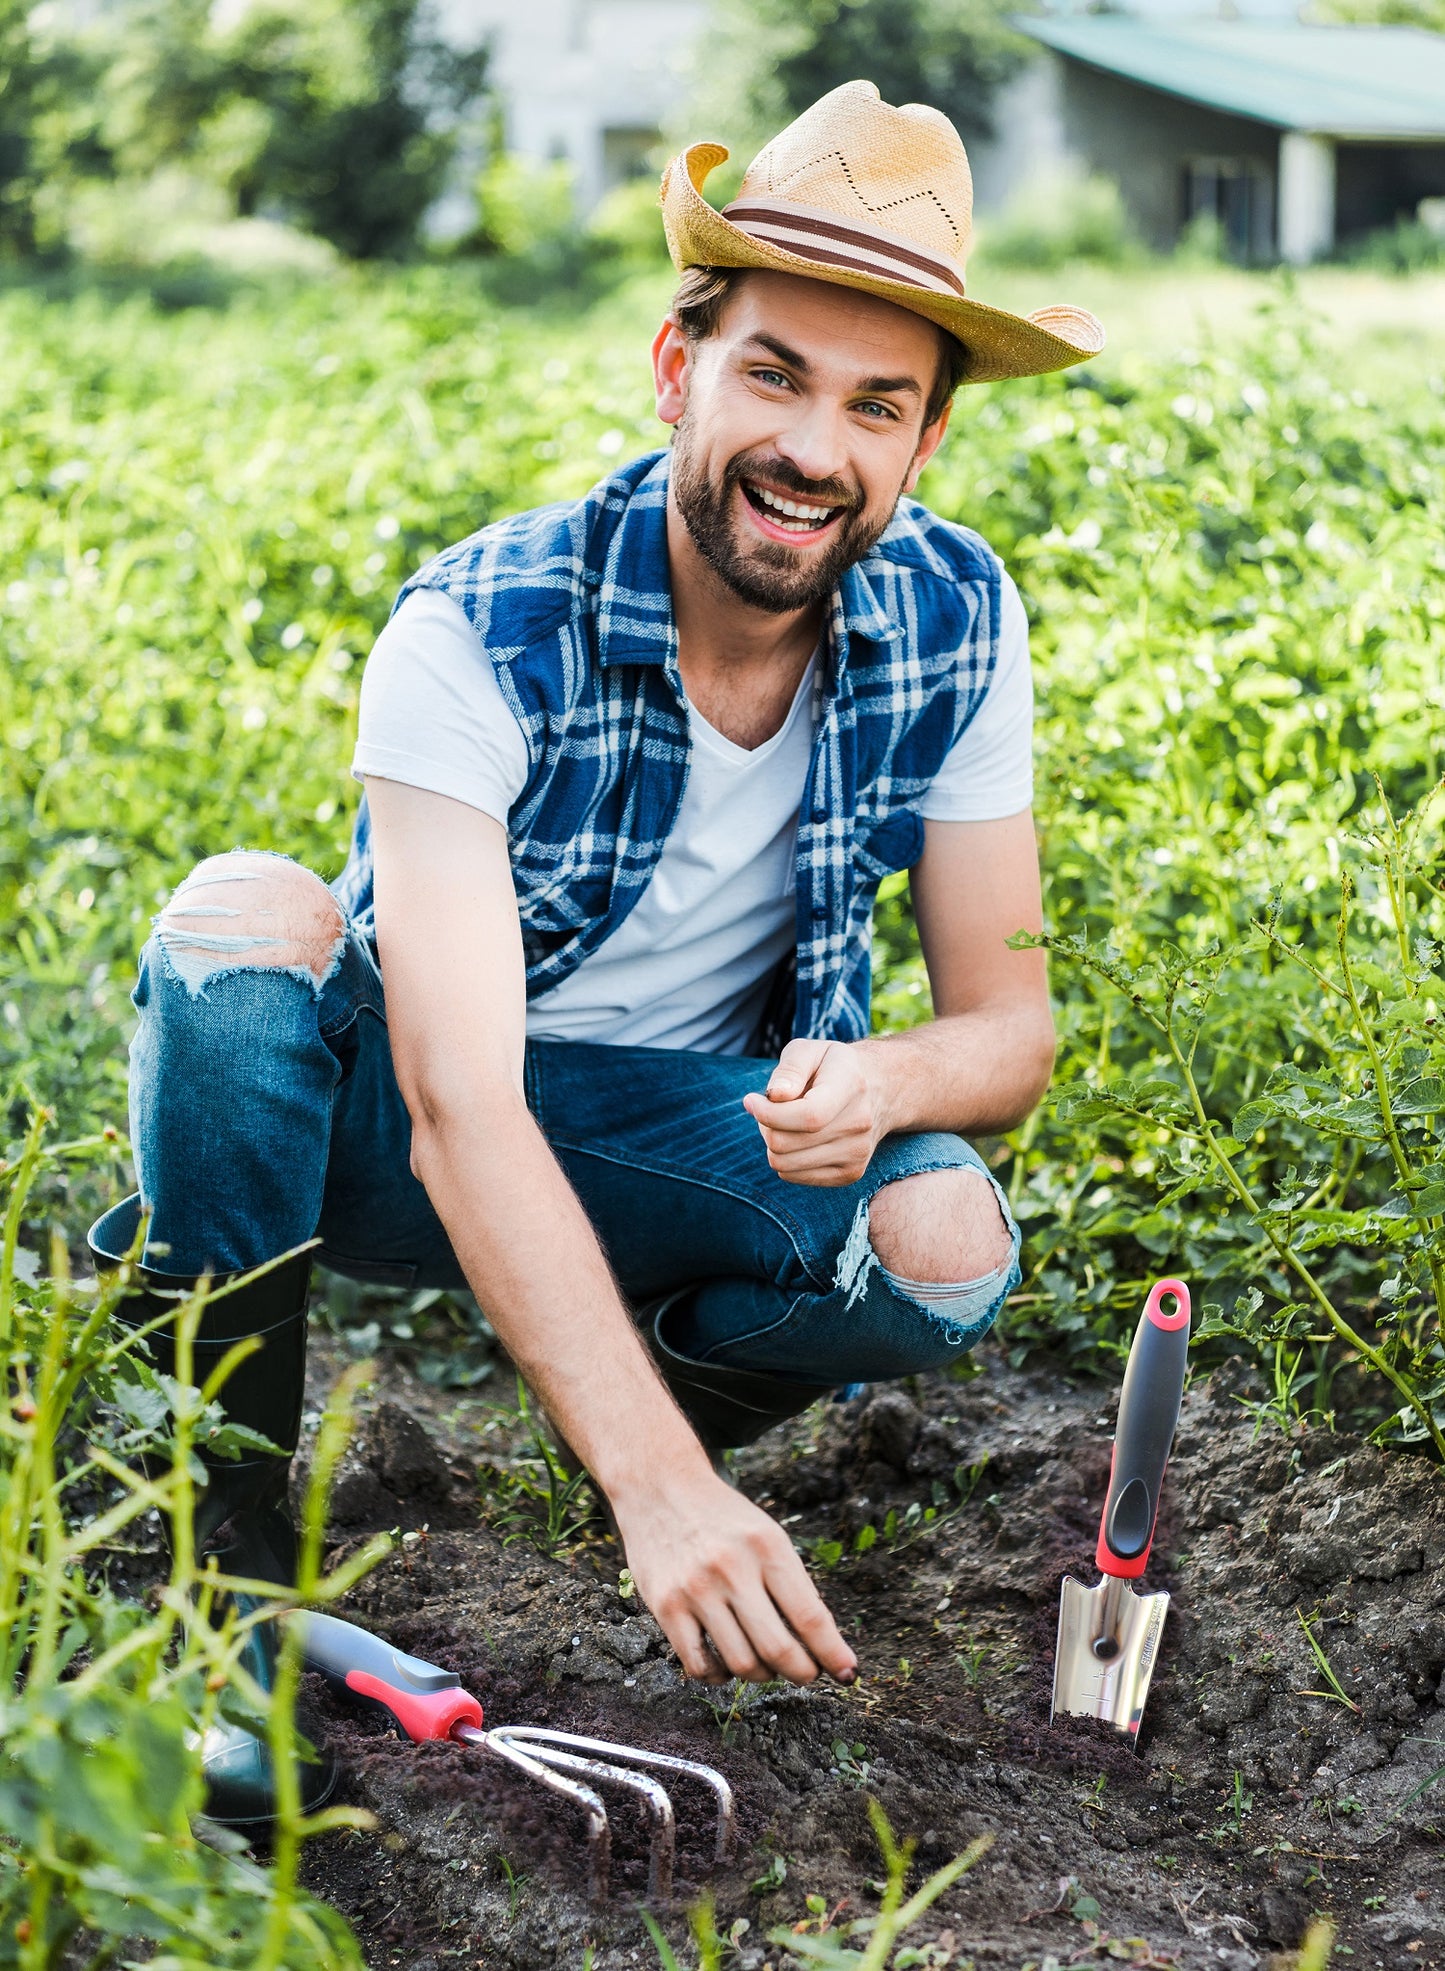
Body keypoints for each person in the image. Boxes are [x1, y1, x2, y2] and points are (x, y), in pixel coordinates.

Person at [89, 79, 1103, 1825]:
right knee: (243, 924)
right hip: (395, 1142)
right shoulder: (482, 626)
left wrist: (887, 1075)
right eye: (773, 372)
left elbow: (1009, 1028)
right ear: (675, 368)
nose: (815, 448)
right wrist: (660, 1502)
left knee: (941, 1233)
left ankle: (624, 1406)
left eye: (877, 405)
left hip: (667, 1141)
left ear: (921, 446)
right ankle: (215, 1569)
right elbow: (460, 1101)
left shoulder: (958, 611)